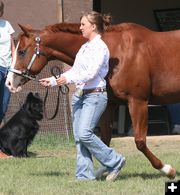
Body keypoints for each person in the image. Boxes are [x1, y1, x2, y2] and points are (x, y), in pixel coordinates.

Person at [39, 11, 125, 181]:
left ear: (93, 27)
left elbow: (91, 73)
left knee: (85, 133)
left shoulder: (100, 47)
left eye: (83, 25)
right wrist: (54, 81)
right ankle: (85, 176)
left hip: (94, 96)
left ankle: (115, 161)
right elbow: (77, 71)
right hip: (80, 95)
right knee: (79, 138)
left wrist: (64, 79)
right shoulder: (85, 47)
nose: (80, 28)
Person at [0, 1, 15, 127]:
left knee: (3, 107)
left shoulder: (7, 25)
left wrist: (14, 67)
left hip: (8, 69)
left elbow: (12, 47)